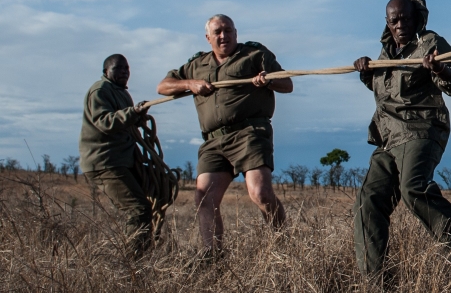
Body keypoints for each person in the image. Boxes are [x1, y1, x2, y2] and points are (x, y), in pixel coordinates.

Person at [352, 0, 451, 284]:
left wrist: (439, 69)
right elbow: (386, 92)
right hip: (388, 137)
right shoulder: (385, 55)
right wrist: (366, 72)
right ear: (387, 23)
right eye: (394, 20)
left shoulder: (430, 43)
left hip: (421, 129)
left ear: (416, 17)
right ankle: (374, 283)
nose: (401, 24)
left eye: (406, 17)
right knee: (368, 201)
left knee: (413, 187)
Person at [156, 15, 292, 257]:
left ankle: (284, 248)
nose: (223, 36)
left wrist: (268, 82)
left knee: (260, 193)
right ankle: (213, 256)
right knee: (203, 197)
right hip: (213, 141)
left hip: (249, 133)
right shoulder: (196, 64)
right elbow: (163, 86)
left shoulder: (254, 54)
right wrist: (189, 84)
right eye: (217, 32)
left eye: (228, 30)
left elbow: (287, 83)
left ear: (236, 33)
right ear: (208, 38)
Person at [79, 54, 155, 258]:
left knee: (148, 202)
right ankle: (130, 261)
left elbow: (125, 122)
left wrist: (137, 116)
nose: (124, 71)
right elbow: (104, 122)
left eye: (127, 68)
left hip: (122, 160)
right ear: (106, 72)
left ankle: (142, 253)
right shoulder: (100, 91)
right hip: (106, 162)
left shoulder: (121, 93)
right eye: (118, 68)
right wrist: (133, 112)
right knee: (139, 210)